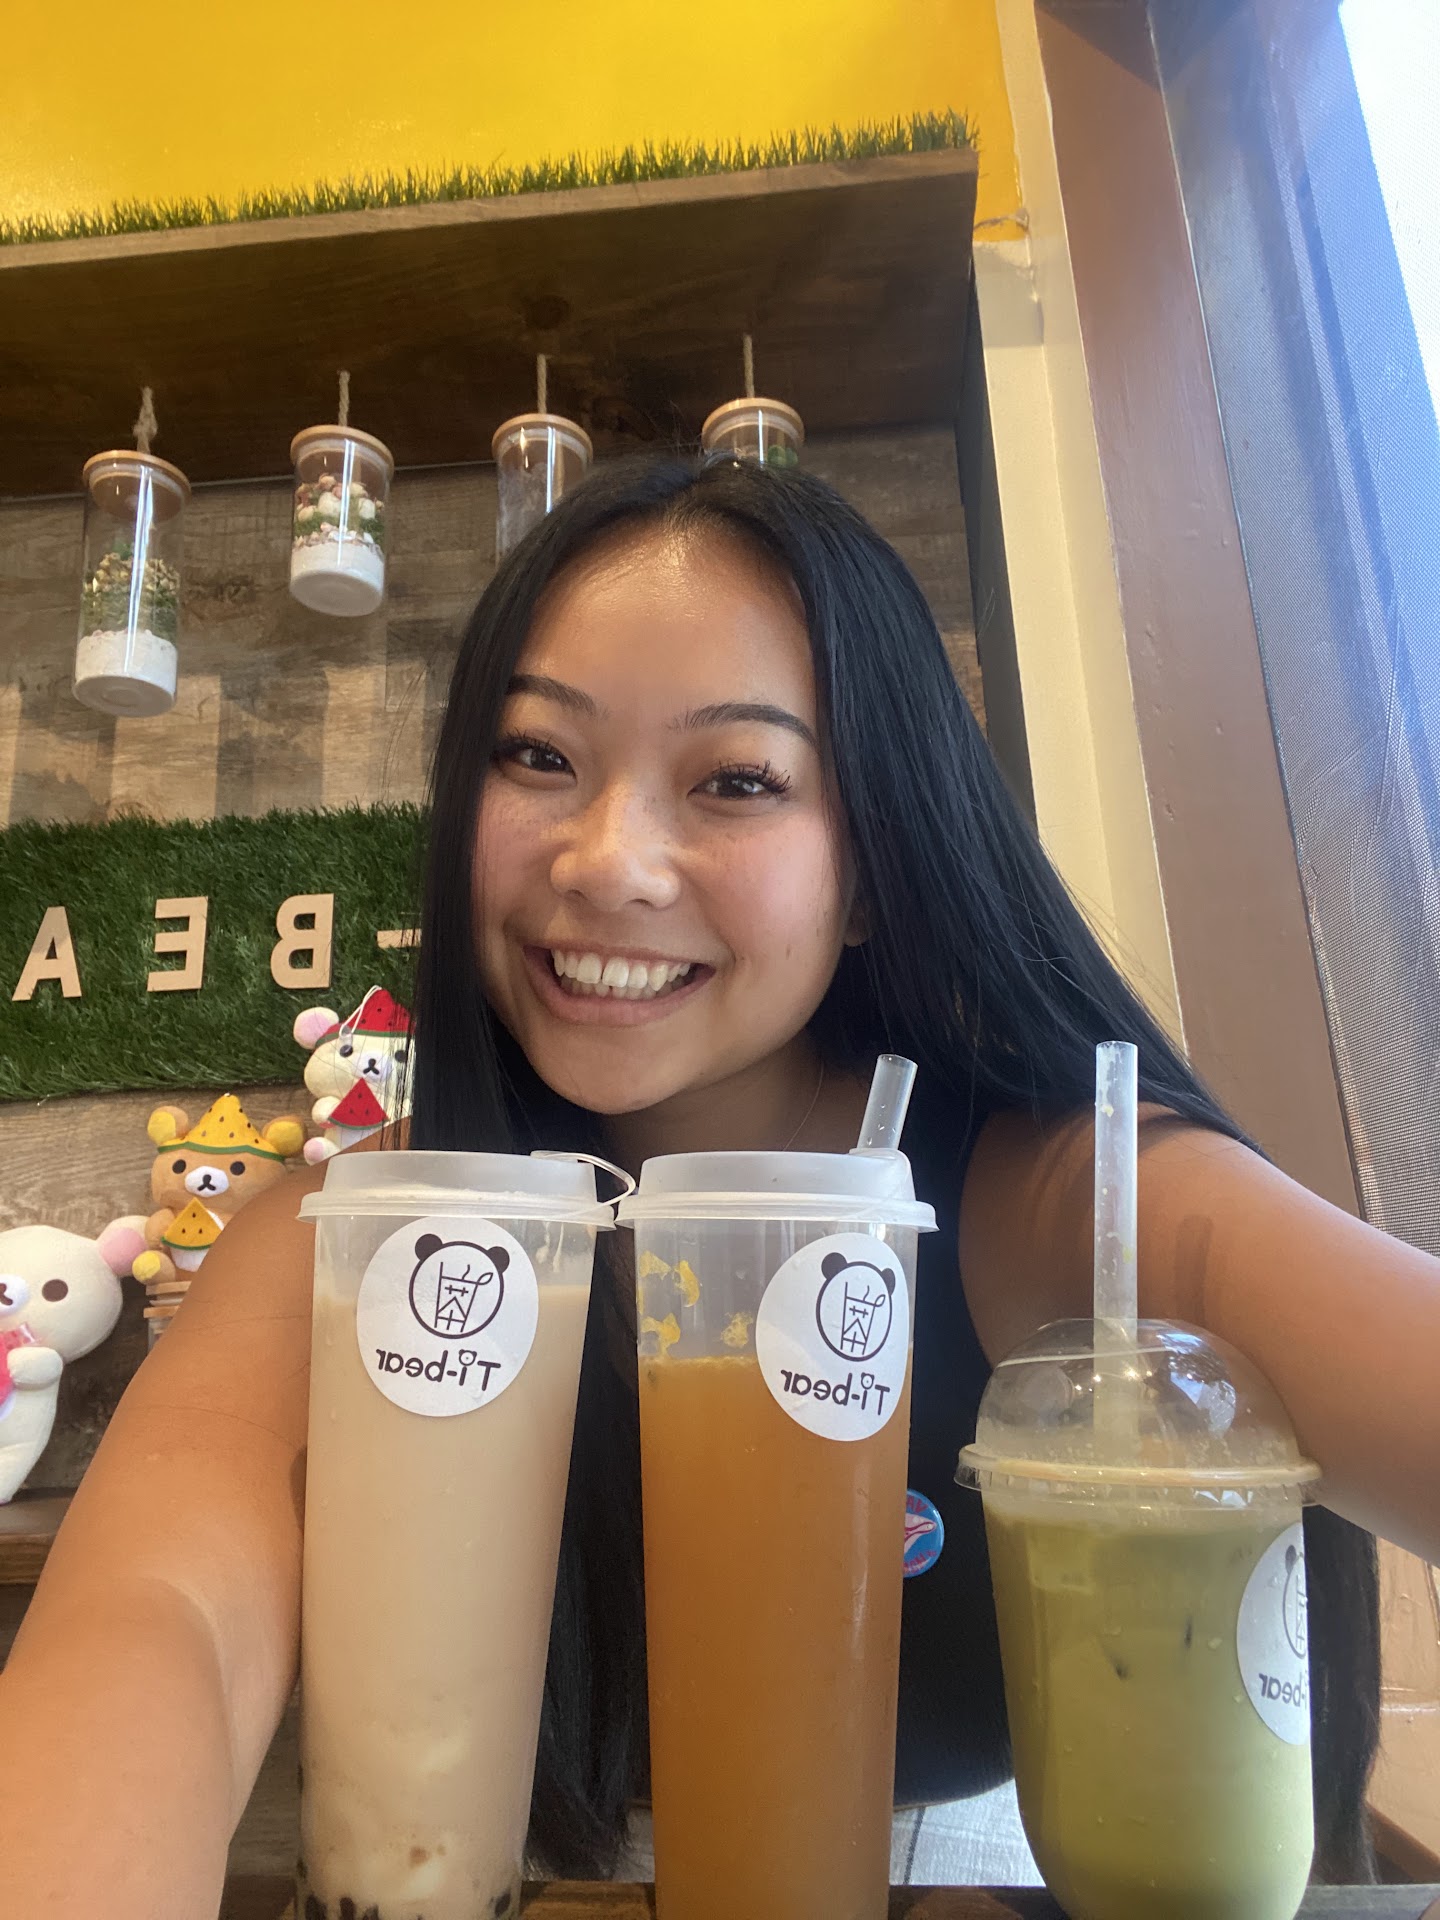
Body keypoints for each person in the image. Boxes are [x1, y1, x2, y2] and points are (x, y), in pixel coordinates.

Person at [2, 458, 1437, 1918]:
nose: (608, 862)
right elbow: (158, 1620)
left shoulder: (1062, 1199)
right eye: (537, 755)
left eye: (738, 780)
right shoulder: (365, 1234)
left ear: (871, 867)